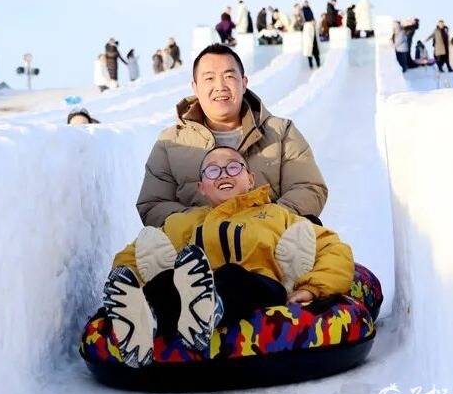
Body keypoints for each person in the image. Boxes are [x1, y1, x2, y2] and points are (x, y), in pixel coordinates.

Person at [105, 145, 354, 367]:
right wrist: (130, 281)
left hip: (260, 286)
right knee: (168, 278)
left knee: (231, 274)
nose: (224, 174)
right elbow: (137, 253)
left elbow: (332, 248)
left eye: (233, 167)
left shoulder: (278, 215)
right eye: (212, 171)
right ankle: (146, 318)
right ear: (202, 187)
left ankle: (209, 307)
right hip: (192, 284)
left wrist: (312, 288)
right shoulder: (183, 223)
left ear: (250, 179)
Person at [136, 43, 327, 228]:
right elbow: (153, 204)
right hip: (194, 247)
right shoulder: (170, 142)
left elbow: (309, 188)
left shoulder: (281, 132)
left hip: (271, 245)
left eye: (229, 76)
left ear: (244, 83)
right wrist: (207, 226)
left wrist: (265, 222)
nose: (220, 86)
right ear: (195, 87)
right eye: (209, 78)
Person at [301, 0, 320, 68]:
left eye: (307, 3)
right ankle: (310, 63)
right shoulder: (302, 10)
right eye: (305, 3)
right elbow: (303, 20)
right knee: (309, 47)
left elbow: (312, 17)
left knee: (315, 47)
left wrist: (313, 21)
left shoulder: (309, 9)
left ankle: (318, 63)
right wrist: (309, 22)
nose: (306, 4)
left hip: (312, 29)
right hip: (307, 29)